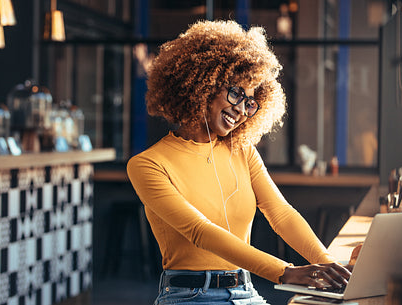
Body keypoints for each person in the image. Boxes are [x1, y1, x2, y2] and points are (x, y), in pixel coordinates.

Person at [127, 20, 351, 305]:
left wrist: (332, 268)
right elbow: (201, 232)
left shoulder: (242, 151)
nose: (242, 110)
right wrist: (285, 272)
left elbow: (280, 213)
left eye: (250, 101)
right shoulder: (148, 164)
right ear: (202, 85)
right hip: (190, 296)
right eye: (235, 93)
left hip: (246, 292)